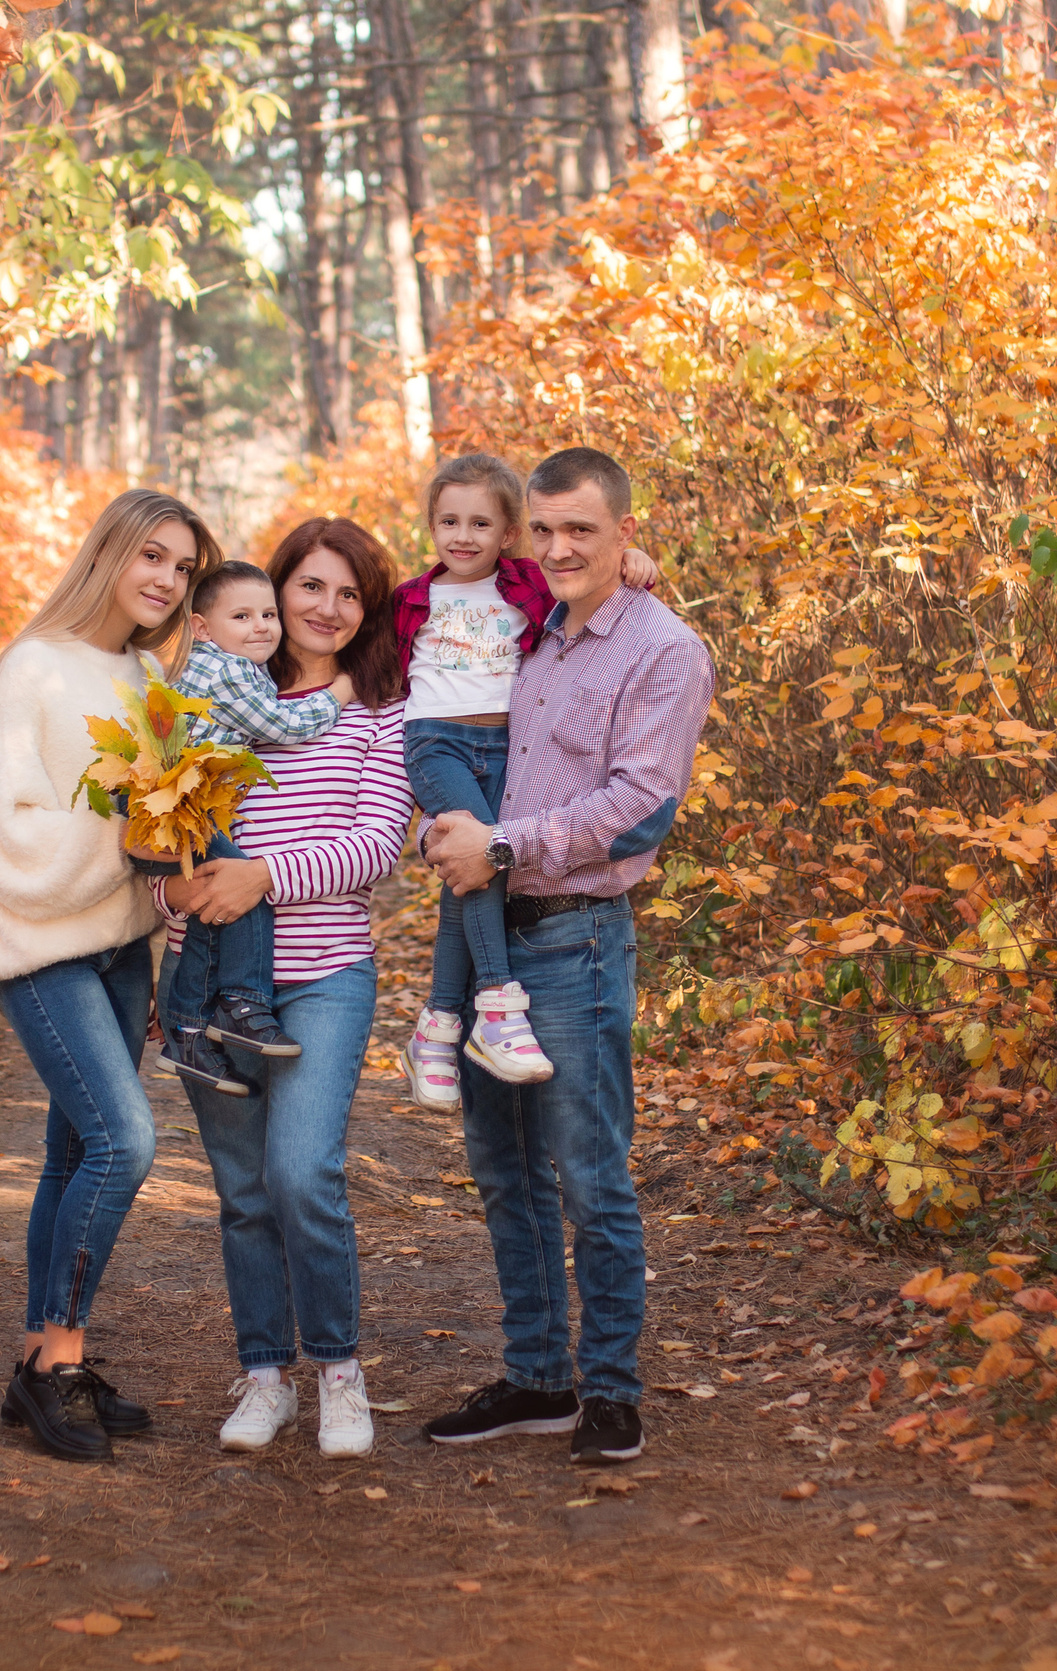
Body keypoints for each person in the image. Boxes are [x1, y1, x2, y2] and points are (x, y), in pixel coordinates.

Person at [416, 448, 714, 1466]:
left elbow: (640, 809)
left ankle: (612, 1392)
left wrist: (500, 845)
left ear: (626, 530)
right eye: (541, 530)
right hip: (488, 935)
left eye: (580, 529)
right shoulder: (532, 630)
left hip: (575, 941)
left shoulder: (663, 650)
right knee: (505, 1172)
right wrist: (449, 825)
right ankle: (538, 1377)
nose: (557, 548)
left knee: (589, 1175)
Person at [0, 488, 220, 1462]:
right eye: (152, 556)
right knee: (123, 1141)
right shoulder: (33, 664)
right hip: (39, 944)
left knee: (72, 1155)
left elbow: (167, 829)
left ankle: (38, 1357)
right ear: (107, 553)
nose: (167, 580)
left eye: (184, 568)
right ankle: (55, 1362)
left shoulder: (148, 677)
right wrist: (124, 828)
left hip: (120, 947)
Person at [155, 518, 411, 1460]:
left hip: (326, 976)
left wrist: (261, 877)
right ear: (275, 590)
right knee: (243, 1190)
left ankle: (339, 1370)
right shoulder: (205, 700)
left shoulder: (380, 713)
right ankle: (266, 1373)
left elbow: (374, 847)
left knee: (302, 1174)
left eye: (349, 594)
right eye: (310, 586)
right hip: (209, 974)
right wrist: (177, 894)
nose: (327, 608)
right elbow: (163, 833)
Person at [391, 454, 658, 1111]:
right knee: (484, 859)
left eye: (480, 523)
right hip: (435, 741)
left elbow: (585, 572)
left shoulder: (528, 585)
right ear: (430, 525)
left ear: (509, 533)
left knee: (476, 867)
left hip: (499, 743)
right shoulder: (410, 598)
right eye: (448, 521)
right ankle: (497, 1005)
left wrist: (632, 558)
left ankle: (436, 1027)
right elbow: (371, 667)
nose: (462, 535)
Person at [147, 560, 359, 1096]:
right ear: (202, 627)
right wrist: (340, 691)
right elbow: (285, 725)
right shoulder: (230, 671)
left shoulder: (219, 663)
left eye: (268, 614)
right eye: (242, 616)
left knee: (210, 916)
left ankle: (188, 1034)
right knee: (242, 893)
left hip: (176, 806)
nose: (261, 626)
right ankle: (242, 1004)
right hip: (185, 808)